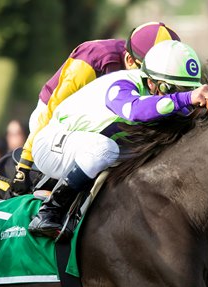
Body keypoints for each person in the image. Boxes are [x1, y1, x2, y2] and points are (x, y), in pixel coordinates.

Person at [27, 40, 208, 239]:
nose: (180, 97)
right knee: (104, 148)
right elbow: (135, 110)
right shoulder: (122, 84)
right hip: (51, 145)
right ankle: (50, 210)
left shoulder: (156, 89)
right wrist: (186, 98)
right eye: (174, 90)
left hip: (88, 149)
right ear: (151, 82)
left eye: (185, 89)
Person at [11, 22, 181, 195]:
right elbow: (52, 109)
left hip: (101, 127)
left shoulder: (139, 61)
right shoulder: (93, 59)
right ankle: (51, 204)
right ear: (130, 60)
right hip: (54, 123)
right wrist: (24, 165)